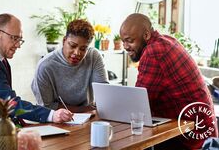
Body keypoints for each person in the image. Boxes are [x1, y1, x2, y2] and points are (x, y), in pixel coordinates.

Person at [0, 13, 73, 142]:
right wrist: (52, 115)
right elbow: (10, 103)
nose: (18, 45)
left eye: (20, 40)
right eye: (14, 38)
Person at [120, 13, 218, 150]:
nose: (125, 46)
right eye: (122, 41)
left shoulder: (153, 51)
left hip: (190, 137)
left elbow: (139, 104)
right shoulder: (167, 40)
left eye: (129, 40)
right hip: (205, 132)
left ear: (146, 35)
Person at [31, 19, 108, 111]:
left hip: (88, 115)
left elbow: (104, 93)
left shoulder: (93, 56)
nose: (77, 53)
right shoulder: (45, 66)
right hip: (56, 119)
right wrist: (83, 109)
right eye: (72, 46)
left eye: (83, 49)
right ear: (64, 41)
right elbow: (46, 107)